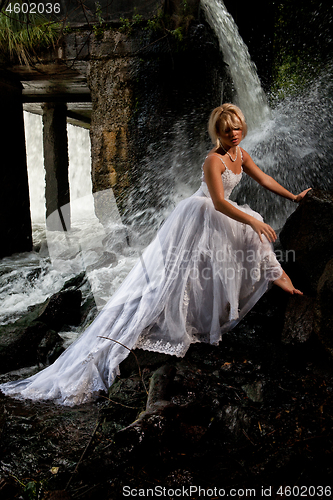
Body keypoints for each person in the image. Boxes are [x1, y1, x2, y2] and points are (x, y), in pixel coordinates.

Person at [0, 103, 311, 406]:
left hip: (219, 215)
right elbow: (218, 202)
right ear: (218, 132)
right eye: (228, 130)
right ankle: (273, 275)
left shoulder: (240, 154)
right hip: (201, 214)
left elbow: (265, 179)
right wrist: (254, 221)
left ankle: (270, 276)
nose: (234, 134)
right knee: (181, 272)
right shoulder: (213, 161)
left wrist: (294, 196)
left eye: (238, 128)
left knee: (212, 259)